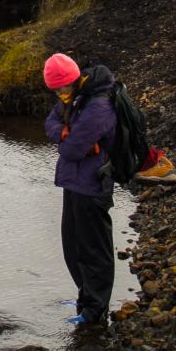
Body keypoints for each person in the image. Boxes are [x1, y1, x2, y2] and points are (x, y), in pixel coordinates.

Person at [43, 51, 115, 329]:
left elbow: (73, 150)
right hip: (74, 183)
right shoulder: (73, 98)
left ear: (71, 79)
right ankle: (85, 298)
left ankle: (96, 311)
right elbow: (50, 124)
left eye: (59, 87)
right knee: (72, 247)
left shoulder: (98, 105)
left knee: (93, 250)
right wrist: (64, 132)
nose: (58, 94)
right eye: (54, 89)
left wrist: (67, 140)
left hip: (93, 185)